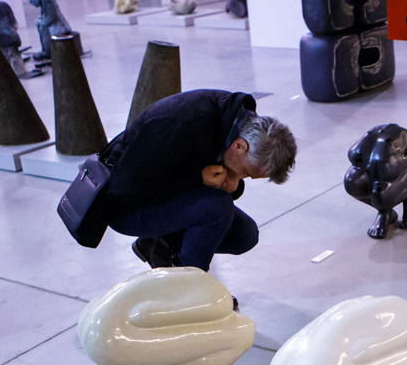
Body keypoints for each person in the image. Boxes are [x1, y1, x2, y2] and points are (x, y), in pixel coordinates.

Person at [101, 89, 297, 272]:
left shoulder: (234, 124)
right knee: (217, 209)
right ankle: (187, 290)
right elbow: (125, 186)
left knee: (244, 234)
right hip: (125, 204)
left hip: (161, 192)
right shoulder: (181, 124)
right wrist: (196, 178)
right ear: (239, 146)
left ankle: (160, 245)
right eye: (245, 172)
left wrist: (233, 185)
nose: (242, 177)